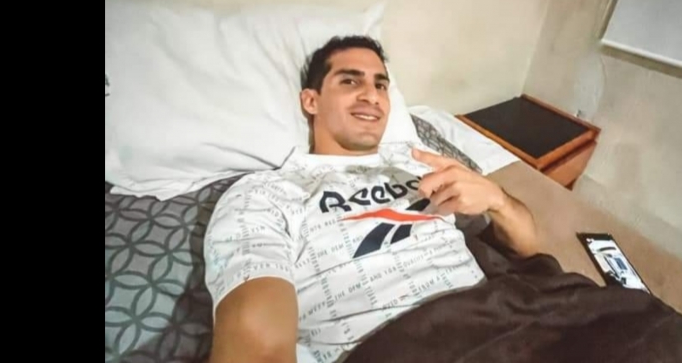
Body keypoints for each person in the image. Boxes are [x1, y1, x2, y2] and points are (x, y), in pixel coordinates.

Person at [204, 36, 539, 363]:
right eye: (350, 81)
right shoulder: (264, 194)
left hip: (517, 322)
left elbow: (529, 249)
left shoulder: (418, 160)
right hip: (404, 346)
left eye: (381, 85)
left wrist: (499, 201)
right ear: (311, 101)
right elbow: (258, 347)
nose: (372, 95)